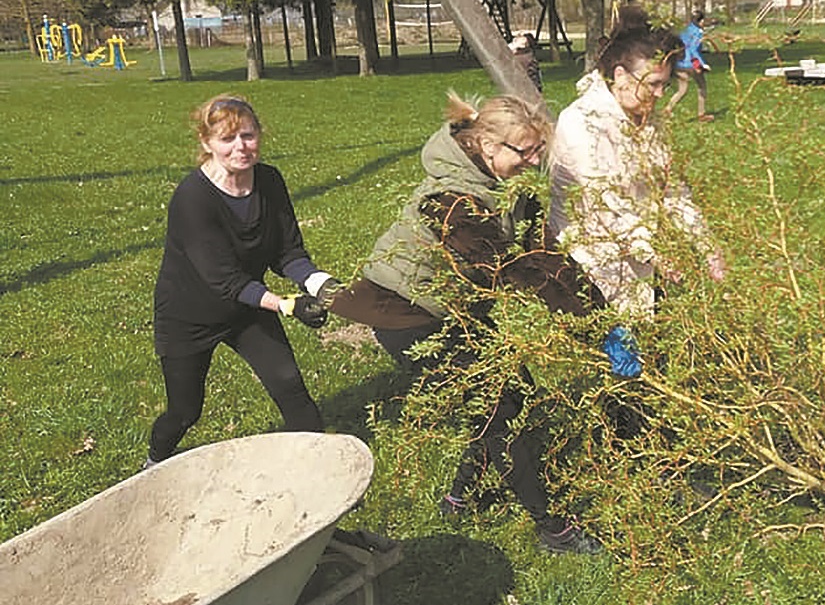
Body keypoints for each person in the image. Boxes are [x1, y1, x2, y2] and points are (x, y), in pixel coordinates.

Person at [327, 92, 604, 554]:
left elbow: (545, 255)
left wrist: (596, 309)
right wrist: (595, 322)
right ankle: (552, 527)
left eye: (539, 151)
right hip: (403, 313)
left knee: (503, 395)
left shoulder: (506, 185)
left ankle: (461, 496)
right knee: (502, 403)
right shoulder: (451, 202)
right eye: (525, 152)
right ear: (489, 144)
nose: (533, 162)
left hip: (452, 309)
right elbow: (514, 268)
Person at [147, 95, 339, 467]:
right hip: (189, 317)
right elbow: (226, 282)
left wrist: (321, 285)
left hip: (248, 311)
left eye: (248, 136)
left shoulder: (269, 181)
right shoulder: (192, 199)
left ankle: (323, 472)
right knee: (185, 411)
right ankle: (154, 462)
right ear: (206, 143)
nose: (241, 148)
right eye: (227, 139)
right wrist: (286, 305)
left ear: (259, 135)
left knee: (293, 391)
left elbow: (288, 253)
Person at [549, 15, 725, 322]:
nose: (659, 95)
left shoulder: (649, 120)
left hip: (643, 257)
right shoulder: (580, 122)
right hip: (593, 266)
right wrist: (656, 252)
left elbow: (672, 190)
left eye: (665, 86)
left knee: (651, 346)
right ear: (621, 76)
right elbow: (602, 203)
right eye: (653, 84)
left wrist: (706, 244)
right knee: (618, 358)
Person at [665, 9, 714, 122]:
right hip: (690, 64)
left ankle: (667, 109)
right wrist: (703, 64)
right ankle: (701, 115)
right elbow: (693, 49)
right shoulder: (698, 32)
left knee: (682, 89)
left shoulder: (686, 30)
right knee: (702, 86)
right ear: (701, 21)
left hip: (679, 63)